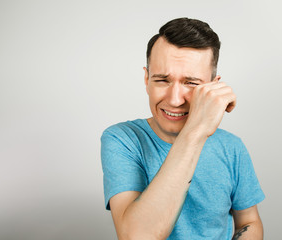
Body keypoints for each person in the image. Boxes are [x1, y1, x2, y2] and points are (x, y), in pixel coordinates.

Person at [101, 17, 265, 240]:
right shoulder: (122, 139)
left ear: (213, 87)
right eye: (162, 80)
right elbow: (137, 236)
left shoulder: (232, 147)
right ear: (146, 78)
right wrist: (196, 131)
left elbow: (249, 221)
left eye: (191, 83)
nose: (175, 100)